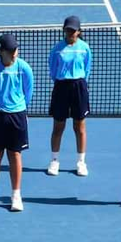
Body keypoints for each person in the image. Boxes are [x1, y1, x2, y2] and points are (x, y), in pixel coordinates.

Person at [0, 34, 34, 212]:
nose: (14, 53)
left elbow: (28, 91)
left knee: (15, 155)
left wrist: (18, 107)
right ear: (1, 51)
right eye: (11, 51)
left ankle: (16, 195)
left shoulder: (23, 68)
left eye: (15, 49)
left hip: (17, 116)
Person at [47, 16, 92, 177]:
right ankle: (54, 160)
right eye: (68, 30)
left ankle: (81, 162)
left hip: (79, 87)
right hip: (61, 88)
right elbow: (53, 69)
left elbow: (87, 69)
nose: (70, 33)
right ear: (64, 30)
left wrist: (78, 82)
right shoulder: (57, 49)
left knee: (79, 126)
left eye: (73, 30)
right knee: (58, 126)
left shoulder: (85, 48)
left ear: (79, 32)